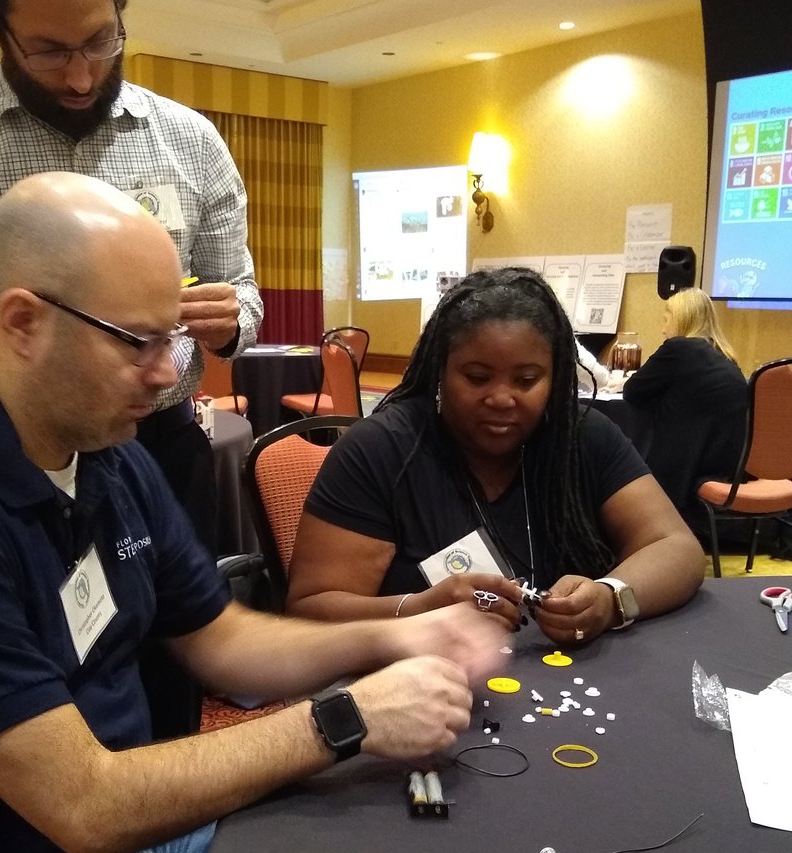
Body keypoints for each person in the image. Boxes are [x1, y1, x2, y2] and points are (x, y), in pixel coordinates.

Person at [0, 172, 502, 853]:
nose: (172, 372)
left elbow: (224, 642)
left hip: (137, 843)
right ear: (23, 322)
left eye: (172, 338)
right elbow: (86, 806)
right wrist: (343, 722)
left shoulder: (108, 453)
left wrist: (402, 634)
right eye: (139, 341)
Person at [0, 0, 262, 558]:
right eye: (50, 51)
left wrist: (231, 320)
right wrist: (65, 380)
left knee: (185, 651)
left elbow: (242, 291)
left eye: (99, 39)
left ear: (119, 10)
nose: (82, 75)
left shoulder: (191, 142)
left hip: (164, 450)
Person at [287, 267, 704, 647]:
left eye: (526, 380)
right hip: (417, 693)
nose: (502, 399)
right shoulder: (380, 450)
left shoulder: (581, 436)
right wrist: (419, 609)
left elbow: (678, 549)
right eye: (477, 377)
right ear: (440, 371)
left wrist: (612, 596)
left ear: (554, 377)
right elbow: (310, 610)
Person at [622, 287, 748, 528]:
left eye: (666, 319)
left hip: (684, 472)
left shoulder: (678, 349)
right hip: (727, 468)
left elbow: (633, 392)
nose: (663, 328)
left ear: (681, 318)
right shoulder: (726, 356)